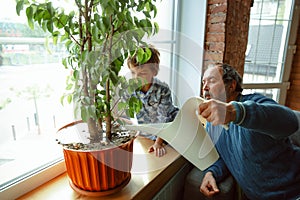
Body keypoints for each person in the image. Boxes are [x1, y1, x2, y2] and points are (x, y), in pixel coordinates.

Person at [197, 63, 300, 199]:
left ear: (232, 85)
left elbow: (291, 122)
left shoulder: (254, 102)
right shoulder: (212, 125)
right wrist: (211, 173)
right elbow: (224, 156)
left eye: (212, 81)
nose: (205, 87)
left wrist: (234, 112)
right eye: (204, 82)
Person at [126, 45, 179, 157]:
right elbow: (131, 115)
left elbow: (164, 119)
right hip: (148, 132)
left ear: (154, 72)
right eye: (133, 73)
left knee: (170, 153)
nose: (136, 78)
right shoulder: (131, 90)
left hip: (169, 129)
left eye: (142, 73)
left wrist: (158, 143)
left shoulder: (162, 89)